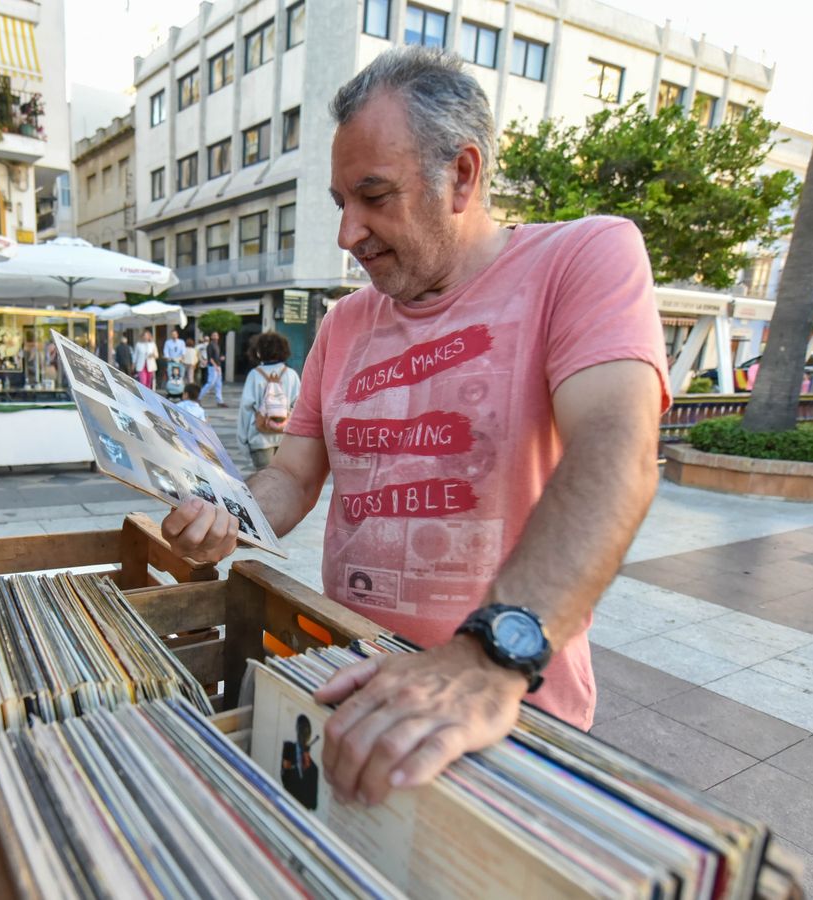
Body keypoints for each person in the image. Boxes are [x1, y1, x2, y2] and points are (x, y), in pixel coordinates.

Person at [160, 48, 667, 807]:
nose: (348, 233)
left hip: (501, 700)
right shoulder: (344, 323)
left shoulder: (583, 257)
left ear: (462, 175)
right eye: (341, 202)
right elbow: (296, 474)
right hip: (354, 673)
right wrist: (226, 515)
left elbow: (617, 449)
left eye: (374, 197)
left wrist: (489, 655)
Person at [237, 332, 300, 471]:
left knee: (264, 484)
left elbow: (246, 409)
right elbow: (299, 407)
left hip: (259, 437)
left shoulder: (254, 374)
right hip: (285, 439)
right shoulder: (291, 375)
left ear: (259, 351)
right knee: (283, 481)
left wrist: (242, 440)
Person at [202, 330, 225, 406]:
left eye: (216, 335)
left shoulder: (217, 345)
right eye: (214, 335)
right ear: (211, 337)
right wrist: (215, 366)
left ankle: (220, 401)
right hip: (213, 367)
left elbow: (217, 356)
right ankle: (198, 398)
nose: (215, 337)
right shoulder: (210, 345)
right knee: (210, 383)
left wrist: (221, 358)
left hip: (218, 366)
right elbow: (210, 358)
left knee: (219, 384)